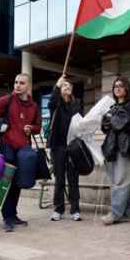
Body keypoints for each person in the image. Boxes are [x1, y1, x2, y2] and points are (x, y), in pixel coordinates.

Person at [0, 73, 41, 232]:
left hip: (24, 149)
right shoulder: (6, 100)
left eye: (21, 83)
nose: (17, 85)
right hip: (7, 146)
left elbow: (38, 127)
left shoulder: (34, 106)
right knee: (7, 183)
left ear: (28, 86)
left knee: (18, 183)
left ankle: (13, 215)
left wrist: (32, 128)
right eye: (16, 82)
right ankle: (7, 217)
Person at [101, 76, 130, 225]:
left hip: (125, 149)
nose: (117, 88)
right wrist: (110, 121)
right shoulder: (112, 108)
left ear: (127, 89)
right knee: (117, 182)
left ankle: (115, 213)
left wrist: (113, 121)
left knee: (121, 182)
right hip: (112, 148)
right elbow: (106, 127)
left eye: (121, 86)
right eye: (115, 86)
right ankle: (127, 213)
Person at [47, 75, 83, 222]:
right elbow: (51, 103)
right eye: (64, 86)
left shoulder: (76, 103)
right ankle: (58, 209)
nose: (67, 88)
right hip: (58, 145)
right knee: (60, 179)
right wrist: (56, 86)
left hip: (73, 145)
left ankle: (75, 209)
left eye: (69, 86)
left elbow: (81, 120)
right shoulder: (56, 103)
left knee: (73, 179)